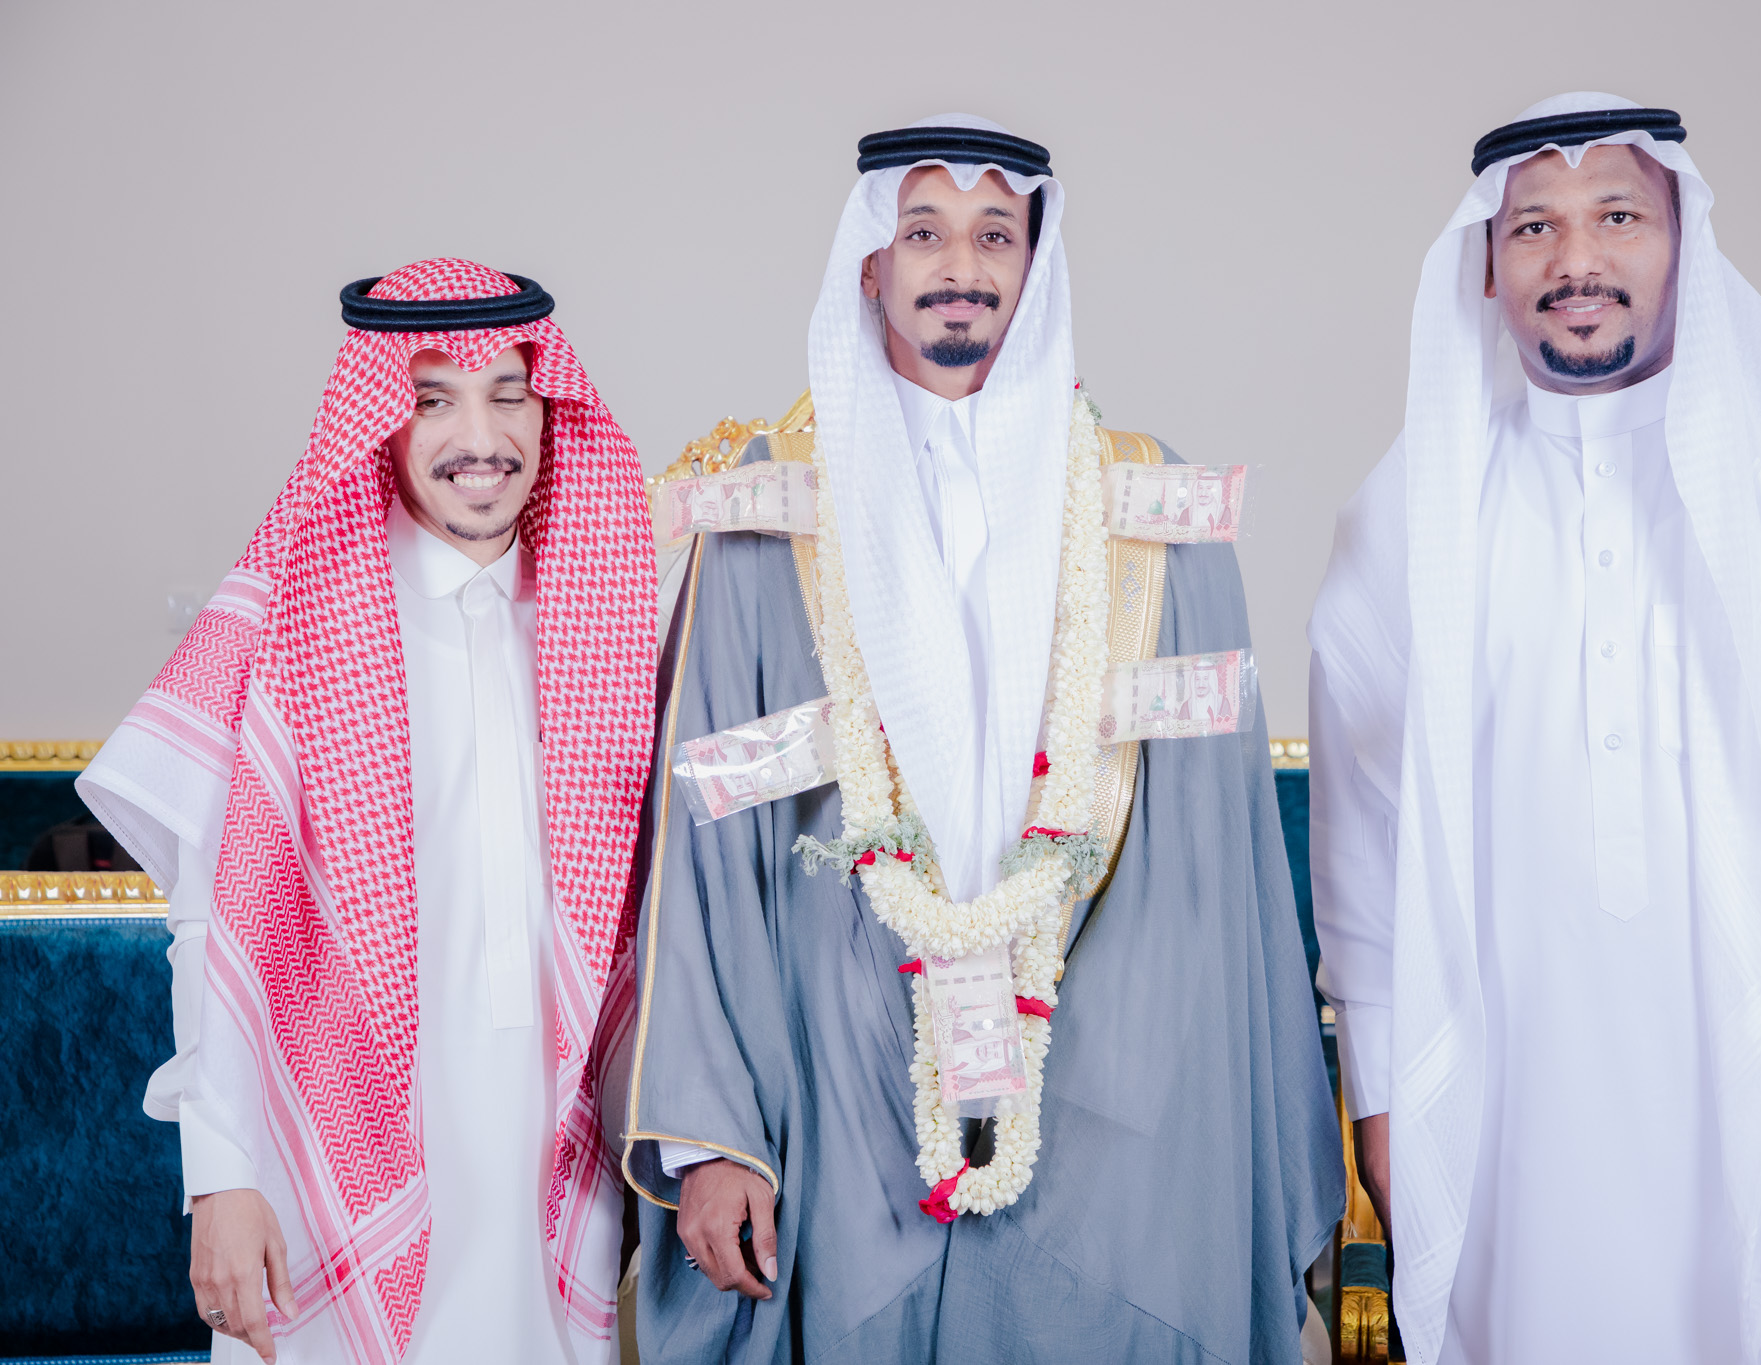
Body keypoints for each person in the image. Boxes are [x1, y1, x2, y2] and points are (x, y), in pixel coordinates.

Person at [1308, 94, 1761, 1365]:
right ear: (1484, 266)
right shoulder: (1409, 515)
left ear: (1683, 240)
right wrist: (1382, 1094)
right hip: (1522, 1117)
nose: (1575, 260)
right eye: (1532, 226)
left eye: (1616, 218)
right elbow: (1360, 846)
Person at [624, 115, 1342, 1363]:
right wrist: (710, 1139)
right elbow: (699, 857)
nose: (960, 264)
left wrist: (1179, 1096)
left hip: (1112, 1085)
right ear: (869, 263)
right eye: (924, 232)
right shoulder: (764, 511)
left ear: (1033, 262)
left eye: (994, 234)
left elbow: (1219, 862)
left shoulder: (1147, 513)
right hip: (834, 1067)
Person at [78, 259, 656, 1364]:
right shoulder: (298, 622)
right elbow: (213, 923)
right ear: (383, 419)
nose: (479, 436)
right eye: (434, 399)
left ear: (549, 411)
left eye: (508, 394)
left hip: (546, 1161)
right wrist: (220, 1174)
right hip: (332, 1148)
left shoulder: (604, 619)